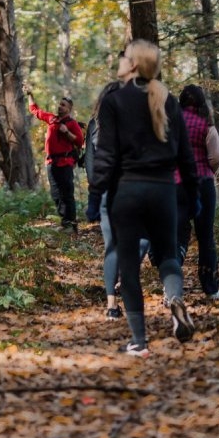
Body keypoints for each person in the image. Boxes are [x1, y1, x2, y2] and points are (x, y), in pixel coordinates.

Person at [90, 39, 198, 356]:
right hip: (164, 191)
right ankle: (175, 297)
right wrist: (193, 199)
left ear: (134, 64)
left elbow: (106, 156)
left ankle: (140, 342)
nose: (120, 61)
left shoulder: (114, 101)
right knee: (167, 255)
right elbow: (186, 159)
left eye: (124, 57)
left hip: (127, 192)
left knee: (129, 266)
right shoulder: (169, 101)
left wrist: (95, 196)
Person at [87, 58, 151, 321]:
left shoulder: (95, 125)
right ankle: (117, 293)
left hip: (107, 192)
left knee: (113, 246)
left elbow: (92, 165)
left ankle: (112, 304)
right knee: (142, 240)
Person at [177, 84, 219, 299]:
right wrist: (207, 171)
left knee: (177, 235)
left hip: (177, 185)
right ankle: (211, 288)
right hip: (203, 184)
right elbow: (216, 157)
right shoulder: (206, 124)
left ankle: (172, 288)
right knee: (206, 237)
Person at [27, 91, 84, 233]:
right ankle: (65, 222)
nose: (60, 107)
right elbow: (35, 110)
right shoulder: (52, 119)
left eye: (63, 105)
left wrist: (66, 132)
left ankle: (70, 224)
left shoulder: (72, 124)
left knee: (67, 194)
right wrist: (30, 95)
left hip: (65, 162)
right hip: (51, 163)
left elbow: (79, 141)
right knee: (56, 194)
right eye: (59, 104)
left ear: (69, 109)